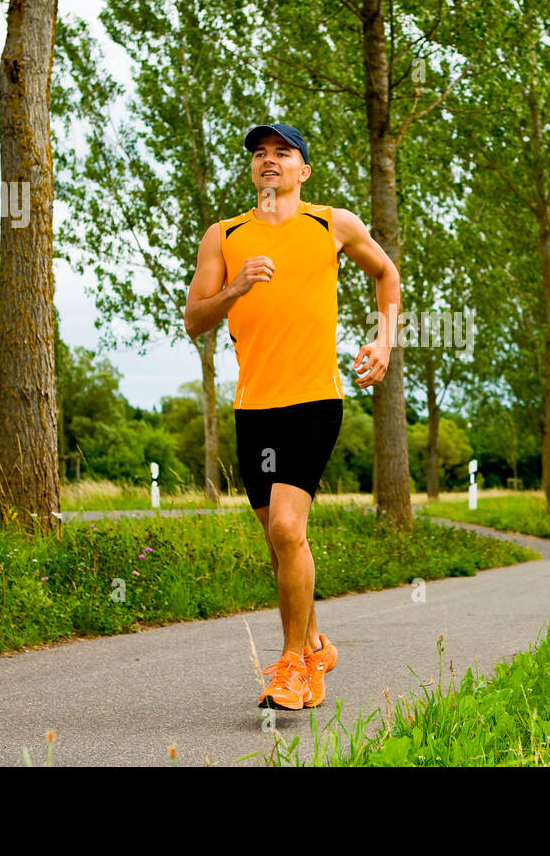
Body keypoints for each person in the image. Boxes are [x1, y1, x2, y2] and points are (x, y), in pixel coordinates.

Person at [183, 123, 401, 711]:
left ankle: (290, 668)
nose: (269, 161)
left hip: (314, 399)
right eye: (260, 154)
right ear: (252, 171)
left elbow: (386, 273)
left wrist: (383, 340)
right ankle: (314, 647)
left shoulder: (332, 224)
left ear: (304, 170)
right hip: (255, 407)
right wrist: (235, 288)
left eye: (283, 153)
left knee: (286, 528)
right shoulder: (223, 237)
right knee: (282, 544)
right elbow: (195, 320)